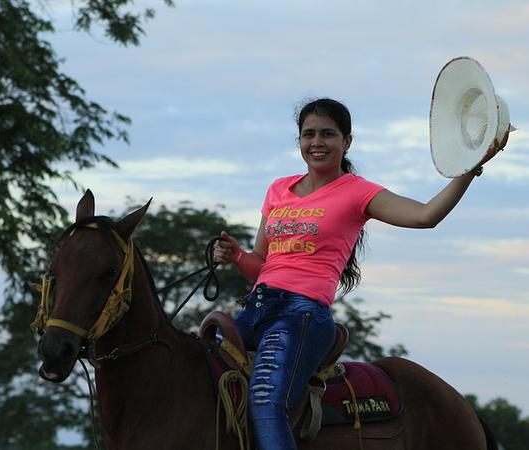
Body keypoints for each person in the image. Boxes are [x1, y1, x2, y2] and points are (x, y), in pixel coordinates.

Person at [213, 98, 508, 450]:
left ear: (347, 141)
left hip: (300, 316)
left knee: (265, 404)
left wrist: (470, 170)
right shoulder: (278, 189)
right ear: (299, 142)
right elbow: (261, 263)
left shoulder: (357, 191)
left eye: (328, 134)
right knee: (201, 380)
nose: (317, 143)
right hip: (258, 307)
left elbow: (425, 216)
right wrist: (236, 256)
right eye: (308, 134)